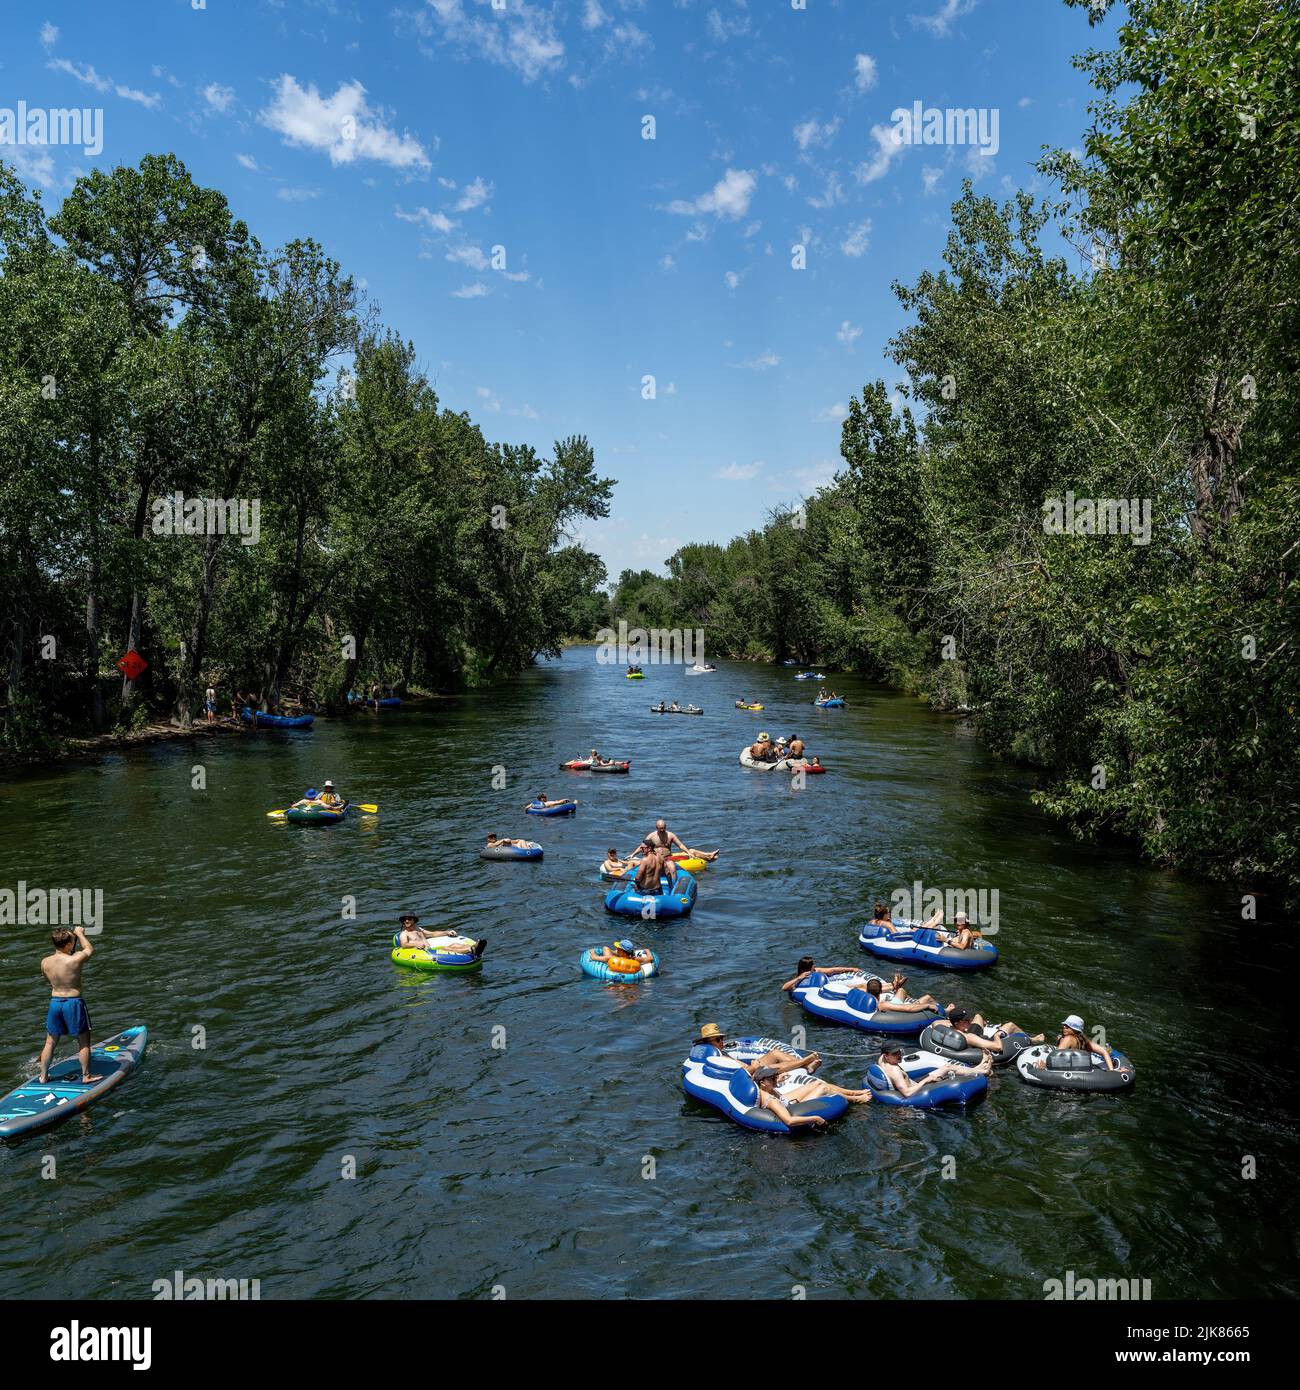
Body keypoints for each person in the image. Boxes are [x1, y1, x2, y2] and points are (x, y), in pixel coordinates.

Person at [877, 1041, 990, 1097]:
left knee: (947, 1067)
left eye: (899, 1051)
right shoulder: (895, 1070)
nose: (899, 1055)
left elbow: (883, 1055)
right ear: (887, 1056)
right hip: (918, 1089)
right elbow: (906, 1093)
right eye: (895, 1053)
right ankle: (982, 1070)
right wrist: (927, 1080)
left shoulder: (882, 1060)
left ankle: (979, 1068)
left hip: (915, 1083)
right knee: (948, 1069)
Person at [693, 1023, 812, 1074]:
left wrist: (751, 1065)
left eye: (721, 1038)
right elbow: (735, 1075)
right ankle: (805, 1062)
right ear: (708, 1042)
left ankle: (807, 1066)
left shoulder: (719, 1052)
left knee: (775, 1053)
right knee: (771, 1067)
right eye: (718, 1039)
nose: (722, 1041)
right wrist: (753, 1067)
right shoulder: (715, 1058)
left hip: (750, 1068)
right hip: (750, 1074)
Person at [757, 1063, 874, 1107]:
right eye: (772, 1078)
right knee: (823, 1088)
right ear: (762, 1083)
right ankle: (855, 1099)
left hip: (785, 1098)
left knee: (817, 1083)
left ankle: (851, 1092)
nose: (775, 1078)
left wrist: (777, 1078)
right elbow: (788, 1119)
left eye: (775, 1076)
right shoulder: (769, 1098)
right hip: (792, 1108)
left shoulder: (767, 1088)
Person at [1037, 1014, 1116, 1071]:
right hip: (1084, 1072)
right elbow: (1104, 1051)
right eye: (1064, 1025)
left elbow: (1054, 1057)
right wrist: (1112, 1070)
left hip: (1067, 1072)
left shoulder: (1068, 1039)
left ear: (1075, 1029)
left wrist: (1044, 1067)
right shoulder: (1084, 1040)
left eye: (1068, 1026)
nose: (1064, 1027)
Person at [943, 1005, 1043, 1049]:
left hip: (969, 1033)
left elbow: (935, 1023)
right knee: (1010, 1025)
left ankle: (985, 1024)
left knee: (978, 1016)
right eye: (967, 1020)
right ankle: (1033, 1040)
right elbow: (997, 1047)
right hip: (982, 1041)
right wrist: (997, 1036)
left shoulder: (949, 1028)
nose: (970, 1021)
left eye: (969, 1019)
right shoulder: (969, 1037)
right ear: (957, 1024)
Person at [397, 913, 485, 958]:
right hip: (422, 953)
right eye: (404, 920)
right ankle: (471, 950)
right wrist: (416, 944)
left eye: (409, 919)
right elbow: (404, 944)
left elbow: (432, 934)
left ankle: (475, 946)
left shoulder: (418, 929)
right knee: (445, 949)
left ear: (414, 920)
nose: (406, 921)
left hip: (430, 949)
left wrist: (446, 932)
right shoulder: (404, 933)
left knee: (454, 945)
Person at [639, 818, 720, 862]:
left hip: (669, 858)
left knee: (691, 851)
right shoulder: (652, 836)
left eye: (663, 828)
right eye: (660, 829)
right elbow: (642, 846)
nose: (662, 830)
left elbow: (680, 845)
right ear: (656, 828)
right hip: (657, 858)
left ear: (666, 827)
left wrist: (688, 853)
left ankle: (709, 855)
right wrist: (633, 854)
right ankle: (709, 857)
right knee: (690, 852)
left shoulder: (670, 835)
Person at [780, 956, 862, 993]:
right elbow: (784, 987)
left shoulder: (816, 971)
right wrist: (799, 978)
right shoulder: (799, 979)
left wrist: (851, 969)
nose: (815, 966)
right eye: (813, 965)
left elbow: (833, 970)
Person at [861, 976, 938, 1012]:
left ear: (867, 991)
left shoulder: (863, 998)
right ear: (881, 991)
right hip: (899, 1012)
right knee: (927, 998)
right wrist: (928, 1005)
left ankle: (897, 987)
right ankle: (945, 1011)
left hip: (891, 1004)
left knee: (901, 990)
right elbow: (908, 1008)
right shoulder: (882, 1005)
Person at [590, 939, 654, 967]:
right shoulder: (634, 959)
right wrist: (647, 950)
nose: (617, 948)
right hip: (626, 958)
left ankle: (616, 953)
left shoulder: (612, 958)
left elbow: (594, 957)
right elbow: (650, 958)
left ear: (623, 952)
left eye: (618, 948)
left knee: (605, 948)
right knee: (606, 948)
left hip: (614, 964)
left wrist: (592, 951)